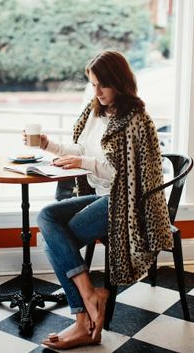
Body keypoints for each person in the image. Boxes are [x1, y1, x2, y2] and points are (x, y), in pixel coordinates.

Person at [23, 50, 173, 350]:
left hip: (127, 203)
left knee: (54, 239)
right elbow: (80, 150)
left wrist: (84, 164)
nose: (98, 92)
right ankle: (91, 298)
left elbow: (126, 174)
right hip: (102, 197)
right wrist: (47, 144)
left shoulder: (136, 119)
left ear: (119, 81)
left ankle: (82, 319)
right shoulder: (94, 112)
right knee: (47, 218)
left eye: (103, 85)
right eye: (93, 85)